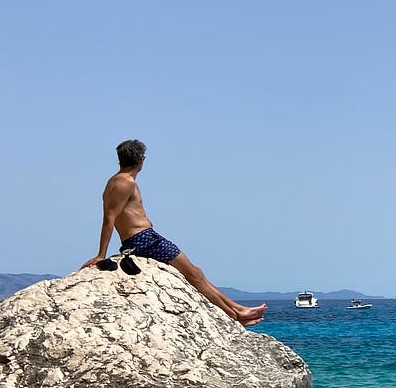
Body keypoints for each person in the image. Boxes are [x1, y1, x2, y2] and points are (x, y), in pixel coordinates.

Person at [82, 139, 267, 326]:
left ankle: (239, 309)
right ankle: (235, 316)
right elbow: (109, 218)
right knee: (194, 275)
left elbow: (110, 217)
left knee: (196, 272)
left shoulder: (115, 181)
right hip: (144, 240)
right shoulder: (125, 182)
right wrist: (101, 255)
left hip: (144, 238)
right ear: (141, 160)